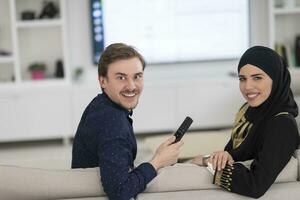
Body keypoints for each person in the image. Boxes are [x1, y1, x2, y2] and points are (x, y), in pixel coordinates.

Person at [72, 43, 183, 200]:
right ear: (103, 81)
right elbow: (120, 191)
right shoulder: (113, 123)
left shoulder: (100, 103)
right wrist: (157, 161)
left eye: (137, 76)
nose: (131, 86)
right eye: (121, 77)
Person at [192, 46, 299, 198]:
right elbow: (230, 153)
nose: (247, 87)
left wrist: (206, 162)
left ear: (275, 79)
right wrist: (221, 157)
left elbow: (255, 185)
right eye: (242, 79)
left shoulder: (282, 125)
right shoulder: (248, 110)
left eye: (257, 77)